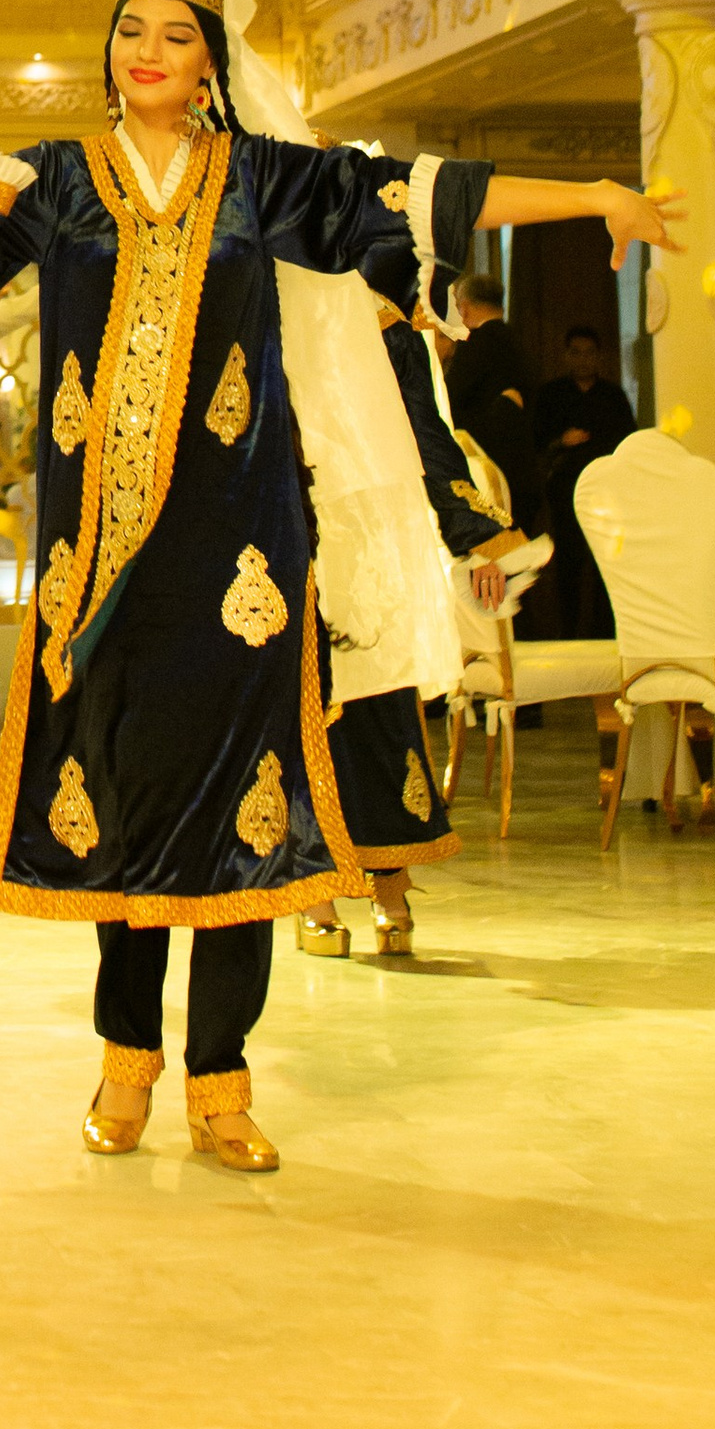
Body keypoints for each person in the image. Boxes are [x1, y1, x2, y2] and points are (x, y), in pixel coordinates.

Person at [0, 0, 678, 1173]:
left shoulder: (265, 179)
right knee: (120, 806)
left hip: (240, 562)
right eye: (131, 29)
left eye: (175, 34)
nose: (147, 50)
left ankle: (221, 1087)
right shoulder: (63, 180)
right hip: (99, 567)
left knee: (245, 810)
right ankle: (124, 1067)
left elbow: (415, 186)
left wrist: (591, 195)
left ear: (209, 61)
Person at [294, 252, 525, 962]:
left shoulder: (388, 321)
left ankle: (390, 889)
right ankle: (315, 890)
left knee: (378, 709)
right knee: (294, 716)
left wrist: (478, 533)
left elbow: (431, 436)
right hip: (280, 531)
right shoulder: (257, 305)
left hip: (366, 535)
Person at [534, 322, 635, 633]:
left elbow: (629, 444)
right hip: (566, 491)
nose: (583, 360)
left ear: (599, 357)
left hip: (607, 493)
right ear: (566, 356)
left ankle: (605, 633)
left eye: (589, 353)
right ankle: (567, 634)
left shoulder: (613, 396)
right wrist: (561, 441)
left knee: (607, 564)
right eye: (576, 353)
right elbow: (536, 442)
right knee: (569, 563)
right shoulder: (552, 394)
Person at [445, 277, 541, 536]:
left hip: (490, 475)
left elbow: (448, 406)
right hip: (524, 470)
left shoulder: (476, 345)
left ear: (463, 308)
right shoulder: (521, 343)